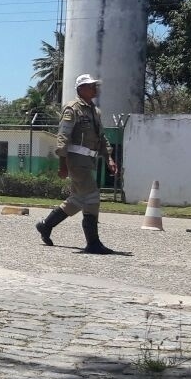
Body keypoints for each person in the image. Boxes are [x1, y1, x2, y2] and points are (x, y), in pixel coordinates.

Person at [35, 73, 119, 254]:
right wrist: (62, 164)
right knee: (92, 197)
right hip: (75, 160)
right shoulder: (72, 109)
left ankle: (45, 225)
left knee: (77, 200)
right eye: (91, 85)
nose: (95, 88)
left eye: (95, 85)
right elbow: (63, 137)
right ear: (81, 89)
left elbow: (101, 137)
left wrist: (109, 158)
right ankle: (93, 243)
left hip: (88, 160)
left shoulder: (94, 111)